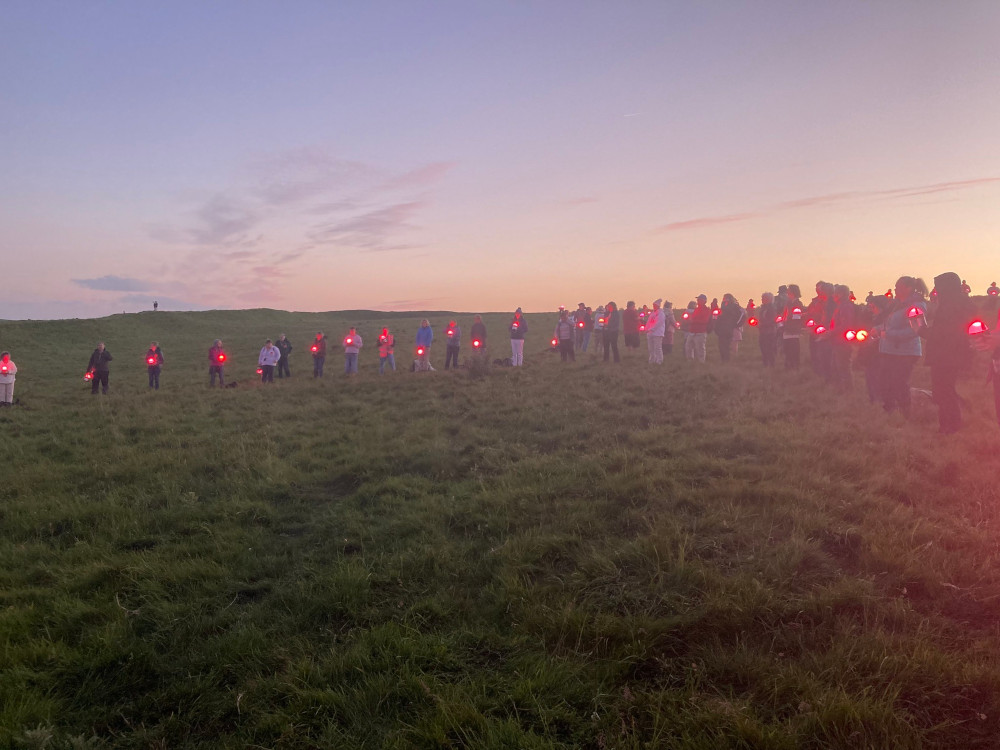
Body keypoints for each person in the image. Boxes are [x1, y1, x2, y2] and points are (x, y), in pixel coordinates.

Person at [922, 272, 974, 433]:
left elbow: (947, 332)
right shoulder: (959, 303)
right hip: (950, 354)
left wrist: (924, 332)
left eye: (938, 286)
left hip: (947, 355)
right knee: (944, 390)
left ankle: (950, 426)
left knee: (944, 390)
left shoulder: (952, 305)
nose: (936, 290)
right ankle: (948, 424)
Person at [875, 276, 927, 416]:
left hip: (905, 352)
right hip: (890, 350)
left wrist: (889, 334)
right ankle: (889, 411)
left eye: (898, 286)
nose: (895, 289)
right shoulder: (897, 305)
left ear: (908, 288)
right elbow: (889, 324)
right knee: (885, 381)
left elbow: (915, 330)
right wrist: (877, 329)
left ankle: (905, 412)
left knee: (899, 383)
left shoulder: (916, 307)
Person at [714, 294, 743, 363]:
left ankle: (728, 360)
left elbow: (742, 316)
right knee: (721, 346)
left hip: (730, 329)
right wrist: (716, 328)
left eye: (727, 298)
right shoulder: (722, 307)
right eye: (724, 298)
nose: (725, 300)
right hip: (722, 329)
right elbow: (718, 318)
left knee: (730, 345)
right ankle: (724, 360)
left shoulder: (735, 306)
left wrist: (735, 325)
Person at [780, 285, 804, 369]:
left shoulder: (797, 303)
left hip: (793, 330)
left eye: (789, 291)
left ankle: (794, 366)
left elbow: (797, 318)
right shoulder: (788, 303)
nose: (787, 292)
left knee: (793, 349)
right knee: (787, 350)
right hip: (787, 329)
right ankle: (788, 365)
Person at [685, 295, 711, 363]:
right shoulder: (696, 309)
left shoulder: (706, 310)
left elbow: (705, 321)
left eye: (699, 300)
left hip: (700, 332)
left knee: (700, 348)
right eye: (698, 300)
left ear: (704, 301)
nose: (698, 301)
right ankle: (690, 361)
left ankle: (701, 362)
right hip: (692, 331)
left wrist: (693, 321)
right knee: (688, 347)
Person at [758, 292, 777, 367]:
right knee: (763, 348)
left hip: (770, 332)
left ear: (768, 299)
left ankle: (771, 364)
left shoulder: (772, 308)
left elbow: (772, 320)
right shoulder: (763, 308)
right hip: (763, 331)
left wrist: (762, 324)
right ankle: (765, 364)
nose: (762, 300)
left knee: (769, 349)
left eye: (763, 298)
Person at [646, 299, 665, 364]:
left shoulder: (661, 314)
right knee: (651, 348)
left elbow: (659, 323)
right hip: (650, 333)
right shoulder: (652, 314)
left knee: (658, 347)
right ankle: (652, 360)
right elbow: (649, 322)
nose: (653, 306)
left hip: (658, 333)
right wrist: (647, 329)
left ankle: (659, 361)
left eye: (654, 305)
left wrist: (652, 329)